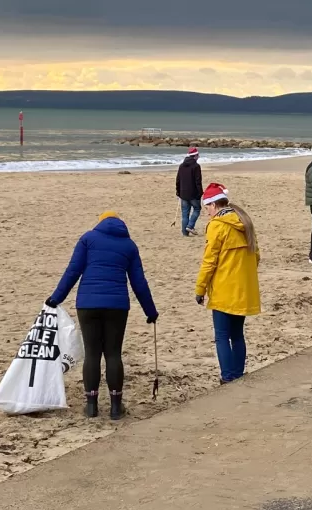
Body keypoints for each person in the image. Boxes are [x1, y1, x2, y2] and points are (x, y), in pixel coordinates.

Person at [47, 213, 158, 420]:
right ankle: (115, 407)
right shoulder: (129, 246)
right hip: (117, 306)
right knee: (113, 354)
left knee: (92, 353)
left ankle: (91, 406)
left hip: (87, 304)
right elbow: (139, 282)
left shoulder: (88, 239)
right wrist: (150, 311)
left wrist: (56, 298)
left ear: (100, 223)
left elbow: (73, 271)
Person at [194, 183, 262, 383]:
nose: (207, 212)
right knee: (237, 335)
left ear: (214, 205)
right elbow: (256, 256)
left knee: (222, 336)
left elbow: (209, 262)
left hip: (224, 289)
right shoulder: (245, 221)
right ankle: (238, 374)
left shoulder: (217, 225)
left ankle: (227, 377)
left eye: (207, 207)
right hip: (243, 289)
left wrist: (200, 288)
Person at [176, 146, 204, 236]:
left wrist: (178, 192)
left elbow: (178, 180)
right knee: (197, 209)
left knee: (185, 213)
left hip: (183, 193)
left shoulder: (181, 166)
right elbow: (198, 181)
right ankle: (190, 226)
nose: (198, 157)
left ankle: (185, 232)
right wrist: (200, 193)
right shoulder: (196, 166)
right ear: (195, 156)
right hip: (193, 194)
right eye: (198, 155)